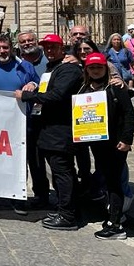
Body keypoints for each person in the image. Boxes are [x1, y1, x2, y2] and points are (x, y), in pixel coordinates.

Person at [16, 34, 84, 230]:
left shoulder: (69, 69)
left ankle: (68, 215)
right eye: (46, 47)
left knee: (62, 172)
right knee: (57, 170)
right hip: (48, 127)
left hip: (60, 129)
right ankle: (64, 208)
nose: (49, 50)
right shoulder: (51, 67)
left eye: (53, 47)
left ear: (62, 48)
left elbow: (56, 95)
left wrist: (27, 96)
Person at [0, 34, 39, 215]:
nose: (2, 51)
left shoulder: (25, 66)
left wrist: (33, 84)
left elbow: (38, 82)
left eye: (5, 47)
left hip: (20, 123)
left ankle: (17, 198)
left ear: (11, 48)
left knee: (19, 162)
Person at [78, 53, 134, 239]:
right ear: (87, 70)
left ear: (105, 68)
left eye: (99, 67)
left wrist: (126, 140)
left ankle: (116, 225)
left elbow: (129, 115)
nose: (95, 71)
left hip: (116, 144)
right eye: (92, 68)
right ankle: (113, 217)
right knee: (108, 179)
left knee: (114, 182)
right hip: (97, 142)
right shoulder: (84, 89)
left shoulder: (115, 88)